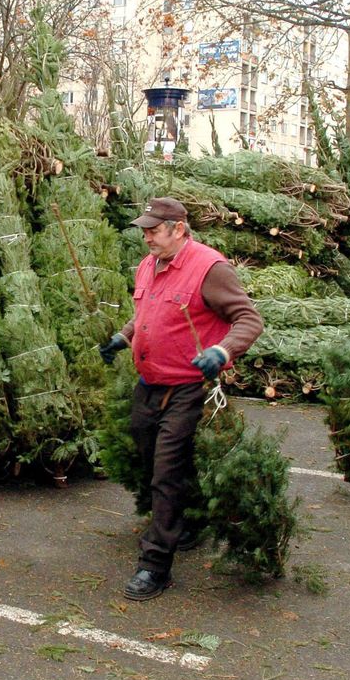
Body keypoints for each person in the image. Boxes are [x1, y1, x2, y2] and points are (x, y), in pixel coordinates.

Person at [98, 197, 263, 601]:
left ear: (179, 229)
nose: (147, 237)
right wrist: (124, 337)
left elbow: (249, 319)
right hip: (149, 384)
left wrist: (221, 352)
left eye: (155, 230)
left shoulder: (210, 269)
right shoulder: (148, 265)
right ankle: (185, 522)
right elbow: (147, 313)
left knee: (166, 472)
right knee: (147, 454)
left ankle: (155, 567)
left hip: (188, 387)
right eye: (145, 230)